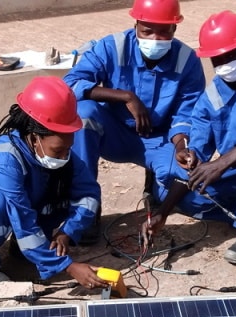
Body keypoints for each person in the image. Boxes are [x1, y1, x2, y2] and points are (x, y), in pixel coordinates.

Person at [140, 10, 236, 271]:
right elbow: (196, 157)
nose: (224, 62)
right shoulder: (211, 98)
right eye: (217, 58)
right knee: (186, 198)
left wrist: (220, 164)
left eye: (231, 54)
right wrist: (163, 213)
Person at [0, 76, 107, 289]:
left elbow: (89, 195)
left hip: (19, 211)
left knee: (59, 188)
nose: (64, 155)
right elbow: (22, 218)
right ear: (34, 137)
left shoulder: (59, 153)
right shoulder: (4, 160)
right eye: (58, 150)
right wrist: (68, 266)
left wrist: (68, 231)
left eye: (68, 148)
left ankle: (22, 251)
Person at [63, 0, 205, 240]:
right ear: (136, 24)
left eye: (163, 31)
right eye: (147, 30)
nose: (155, 39)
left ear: (175, 29)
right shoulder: (112, 47)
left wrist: (181, 145)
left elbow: (188, 111)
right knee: (84, 114)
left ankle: (155, 188)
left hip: (160, 138)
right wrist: (125, 97)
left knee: (181, 187)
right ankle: (86, 209)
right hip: (114, 133)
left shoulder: (187, 59)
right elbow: (70, 84)